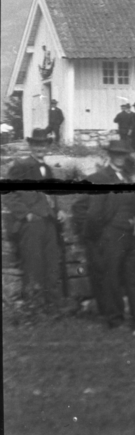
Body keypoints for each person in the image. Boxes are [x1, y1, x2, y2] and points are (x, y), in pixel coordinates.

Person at [84, 140, 135, 332]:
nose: (120, 157)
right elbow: (94, 213)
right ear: (110, 155)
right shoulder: (100, 177)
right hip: (111, 235)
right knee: (111, 278)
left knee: (134, 278)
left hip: (129, 234)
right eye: (116, 154)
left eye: (123, 154)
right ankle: (115, 320)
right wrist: (100, 236)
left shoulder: (129, 177)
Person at [5, 132, 66, 311]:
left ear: (48, 147)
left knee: (51, 262)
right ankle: (34, 306)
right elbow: (8, 193)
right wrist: (25, 214)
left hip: (49, 222)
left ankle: (53, 305)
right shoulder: (21, 166)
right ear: (31, 147)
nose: (41, 148)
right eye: (37, 145)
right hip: (31, 224)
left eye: (44, 145)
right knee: (33, 263)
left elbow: (50, 194)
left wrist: (59, 209)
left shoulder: (47, 169)